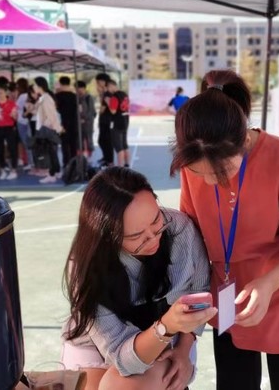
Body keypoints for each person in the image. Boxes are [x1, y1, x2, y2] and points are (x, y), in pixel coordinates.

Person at [170, 69, 279, 390]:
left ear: (244, 140)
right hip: (228, 293)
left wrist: (269, 282)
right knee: (234, 383)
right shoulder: (198, 157)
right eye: (198, 172)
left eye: (221, 171)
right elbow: (191, 231)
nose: (210, 181)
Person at [61, 167, 215, 390]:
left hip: (172, 341)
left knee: (120, 387)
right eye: (136, 236)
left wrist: (184, 350)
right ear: (107, 237)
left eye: (156, 220)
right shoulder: (85, 267)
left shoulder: (180, 229)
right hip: (96, 345)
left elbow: (200, 288)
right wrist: (166, 326)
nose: (153, 238)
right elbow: (122, 359)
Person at [33, 76, 62, 184]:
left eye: (35, 85)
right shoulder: (44, 98)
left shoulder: (46, 98)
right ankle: (55, 172)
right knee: (52, 152)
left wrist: (45, 128)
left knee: (50, 153)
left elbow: (51, 116)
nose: (33, 87)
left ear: (40, 86)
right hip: (49, 129)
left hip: (48, 130)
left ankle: (52, 174)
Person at [0, 77, 18, 180]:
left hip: (9, 128)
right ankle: (2, 169)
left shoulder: (11, 103)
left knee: (12, 148)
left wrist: (14, 115)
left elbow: (15, 117)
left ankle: (14, 170)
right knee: (0, 149)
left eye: (1, 93)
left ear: (6, 92)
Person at [55, 76, 79, 168]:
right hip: (74, 122)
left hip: (63, 122)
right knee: (73, 145)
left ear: (61, 84)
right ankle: (74, 163)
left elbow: (56, 111)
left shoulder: (57, 96)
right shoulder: (75, 96)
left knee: (65, 145)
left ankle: (66, 163)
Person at [106, 79, 130, 167]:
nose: (108, 90)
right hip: (125, 120)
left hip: (117, 123)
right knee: (124, 145)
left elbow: (113, 111)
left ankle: (120, 167)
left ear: (111, 86)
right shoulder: (125, 94)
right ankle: (127, 164)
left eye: (108, 88)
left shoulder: (114, 97)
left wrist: (108, 102)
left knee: (118, 147)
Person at [96, 73, 114, 167]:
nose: (97, 84)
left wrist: (100, 111)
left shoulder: (107, 94)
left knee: (105, 141)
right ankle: (106, 158)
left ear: (103, 82)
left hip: (107, 121)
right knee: (102, 140)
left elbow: (103, 109)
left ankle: (109, 160)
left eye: (98, 82)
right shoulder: (105, 93)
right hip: (104, 120)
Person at [76, 80, 96, 156]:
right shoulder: (77, 98)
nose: (78, 90)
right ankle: (82, 156)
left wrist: (84, 119)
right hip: (79, 123)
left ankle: (88, 156)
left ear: (84, 88)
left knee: (88, 139)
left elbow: (91, 112)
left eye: (79, 88)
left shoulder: (88, 98)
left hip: (87, 123)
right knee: (80, 140)